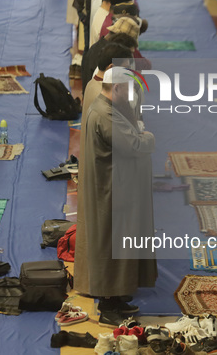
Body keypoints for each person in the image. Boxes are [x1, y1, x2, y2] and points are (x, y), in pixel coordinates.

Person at [81, 66, 157, 326]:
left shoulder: (103, 108)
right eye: (127, 90)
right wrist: (149, 138)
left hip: (112, 186)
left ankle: (115, 300)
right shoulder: (106, 115)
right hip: (111, 191)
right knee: (110, 247)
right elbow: (135, 145)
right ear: (117, 88)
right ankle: (107, 308)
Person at [74, 43, 133, 295]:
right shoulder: (107, 102)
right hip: (107, 175)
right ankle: (109, 296)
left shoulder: (92, 85)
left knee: (96, 235)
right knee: (108, 236)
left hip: (96, 168)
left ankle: (97, 286)